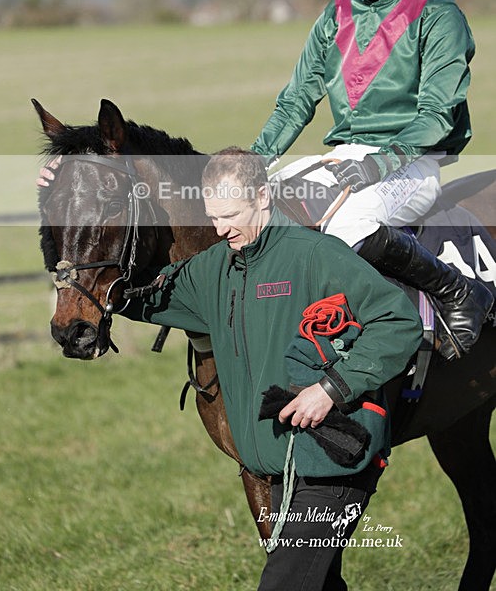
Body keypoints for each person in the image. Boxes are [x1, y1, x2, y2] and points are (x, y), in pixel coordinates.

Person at [121, 147, 423, 591]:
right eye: (212, 217)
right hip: (280, 467)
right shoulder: (214, 268)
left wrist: (331, 388)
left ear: (262, 197)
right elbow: (134, 295)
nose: (220, 229)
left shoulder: (317, 254)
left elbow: (398, 322)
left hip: (332, 457)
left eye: (230, 214)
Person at [251, 0, 492, 360]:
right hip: (344, 158)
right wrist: (252, 162)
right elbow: (297, 98)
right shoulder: (334, 14)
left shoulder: (439, 17)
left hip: (411, 165)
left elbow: (436, 116)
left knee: (350, 223)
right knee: (263, 208)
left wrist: (379, 164)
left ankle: (457, 294)